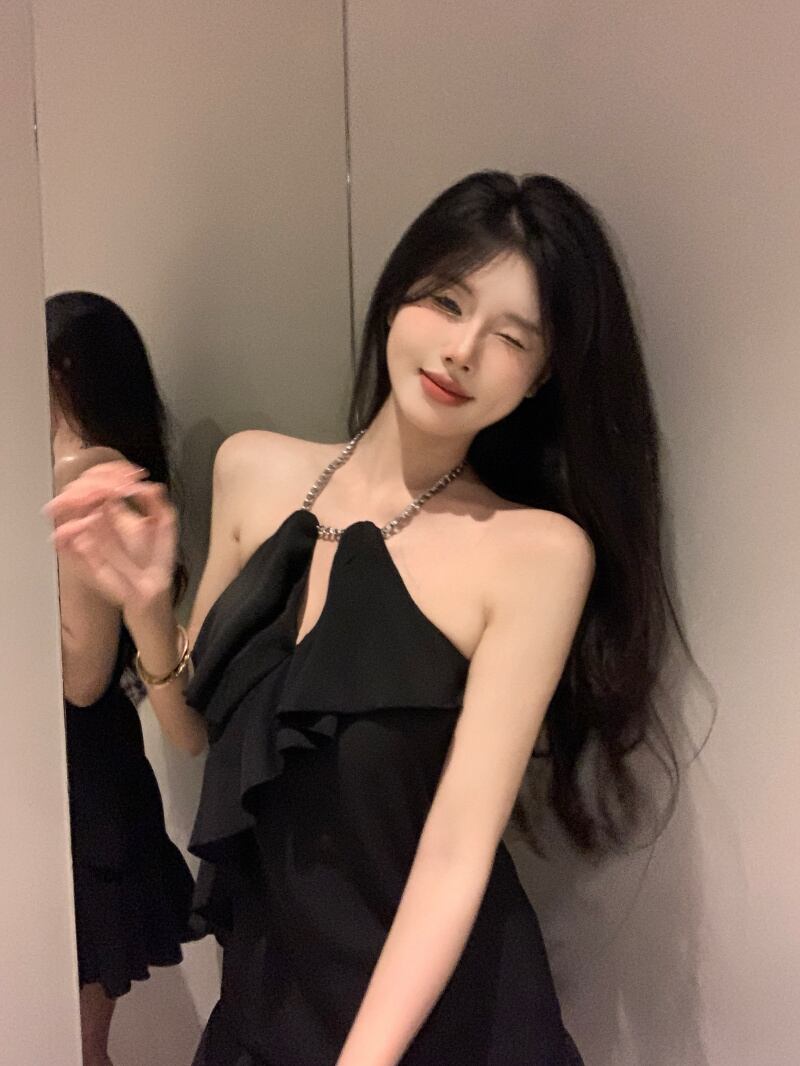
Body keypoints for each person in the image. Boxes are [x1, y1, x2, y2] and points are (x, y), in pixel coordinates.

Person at [46, 172, 697, 1065]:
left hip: (435, 1022)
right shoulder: (252, 472)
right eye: (447, 301)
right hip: (267, 995)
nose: (462, 350)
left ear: (542, 374)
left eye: (511, 337)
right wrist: (148, 609)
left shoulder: (537, 554)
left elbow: (457, 853)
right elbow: (197, 733)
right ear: (398, 295)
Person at [46, 292, 196, 1066]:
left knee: (70, 1044)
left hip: (79, 777)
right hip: (88, 771)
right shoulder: (96, 467)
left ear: (62, 370)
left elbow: (81, 673)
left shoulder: (84, 472)